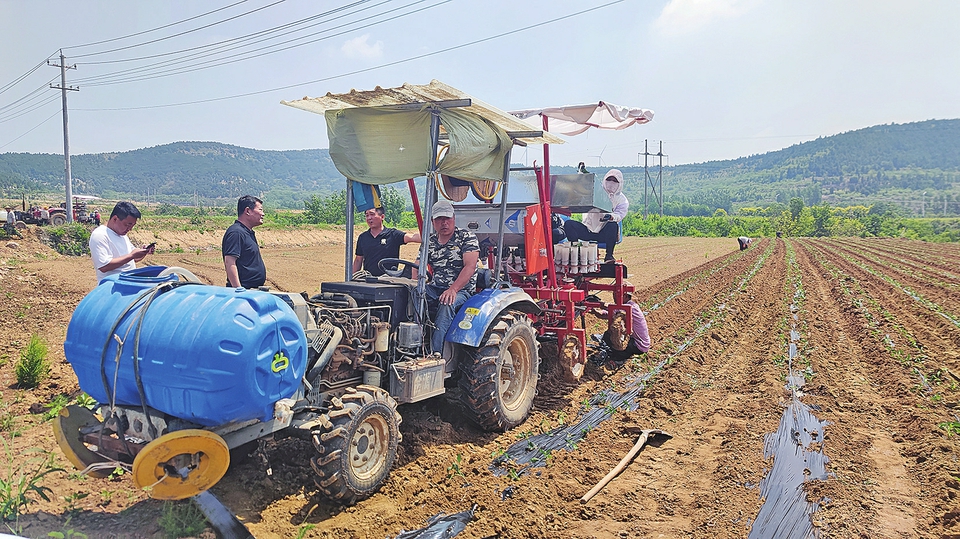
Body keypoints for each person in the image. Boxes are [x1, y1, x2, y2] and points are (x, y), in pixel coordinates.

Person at [413, 200, 479, 355]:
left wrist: (453, 290)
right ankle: (412, 341)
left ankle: (436, 353)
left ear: (454, 218)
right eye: (439, 219)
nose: (444, 223)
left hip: (461, 290)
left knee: (446, 301)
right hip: (436, 287)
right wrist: (414, 284)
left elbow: (469, 267)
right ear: (432, 222)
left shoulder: (466, 238)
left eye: (447, 218)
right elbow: (417, 266)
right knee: (412, 294)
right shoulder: (429, 242)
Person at [563, 168, 629, 262]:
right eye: (609, 179)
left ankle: (609, 256)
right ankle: (576, 252)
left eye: (615, 181)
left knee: (613, 225)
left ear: (620, 183)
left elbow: (620, 214)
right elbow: (584, 186)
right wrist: (582, 174)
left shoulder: (622, 200)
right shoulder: (595, 192)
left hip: (603, 232)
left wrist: (611, 216)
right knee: (569, 224)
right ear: (605, 179)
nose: (611, 182)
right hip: (588, 229)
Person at [89, 201, 153, 282]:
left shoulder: (122, 234)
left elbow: (132, 259)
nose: (129, 229)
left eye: (132, 226)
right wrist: (131, 256)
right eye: (127, 225)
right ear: (115, 219)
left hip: (128, 282)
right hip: (113, 286)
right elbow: (104, 266)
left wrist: (143, 252)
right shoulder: (100, 235)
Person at [353, 206, 421, 277]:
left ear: (382, 217)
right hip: (369, 280)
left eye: (372, 214)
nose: (369, 218)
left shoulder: (393, 234)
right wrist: (352, 279)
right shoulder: (363, 237)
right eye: (367, 215)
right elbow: (358, 260)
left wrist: (429, 237)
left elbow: (411, 237)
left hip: (389, 281)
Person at [222, 195, 266, 289]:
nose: (263, 214)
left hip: (252, 290)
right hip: (244, 291)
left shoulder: (247, 232)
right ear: (248, 211)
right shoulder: (236, 232)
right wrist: (238, 290)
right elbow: (230, 262)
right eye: (260, 210)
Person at [602, 291, 651, 361]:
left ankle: (621, 356)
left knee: (608, 336)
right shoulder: (632, 305)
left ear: (625, 296)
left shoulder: (630, 308)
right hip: (641, 343)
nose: (614, 297)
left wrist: (600, 306)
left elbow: (612, 311)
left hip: (639, 345)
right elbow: (611, 313)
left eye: (616, 295)